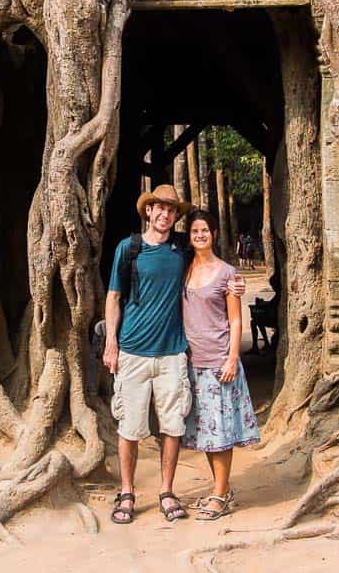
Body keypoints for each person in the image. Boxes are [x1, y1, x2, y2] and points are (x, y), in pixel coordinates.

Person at [104, 184, 245, 525]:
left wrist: (235, 284)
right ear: (148, 211)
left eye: (171, 209)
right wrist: (111, 343)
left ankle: (167, 491)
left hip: (172, 354)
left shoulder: (181, 249)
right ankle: (127, 492)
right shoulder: (129, 249)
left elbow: (210, 264)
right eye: (159, 208)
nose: (165, 214)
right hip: (133, 351)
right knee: (130, 427)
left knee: (172, 426)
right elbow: (113, 297)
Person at [181, 209, 261, 520]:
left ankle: (220, 493)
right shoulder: (184, 270)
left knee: (221, 433)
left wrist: (232, 358)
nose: (200, 235)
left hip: (219, 362)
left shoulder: (228, 274)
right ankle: (221, 488)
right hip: (192, 363)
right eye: (194, 231)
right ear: (189, 236)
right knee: (205, 432)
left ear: (214, 234)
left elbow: (235, 319)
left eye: (205, 230)